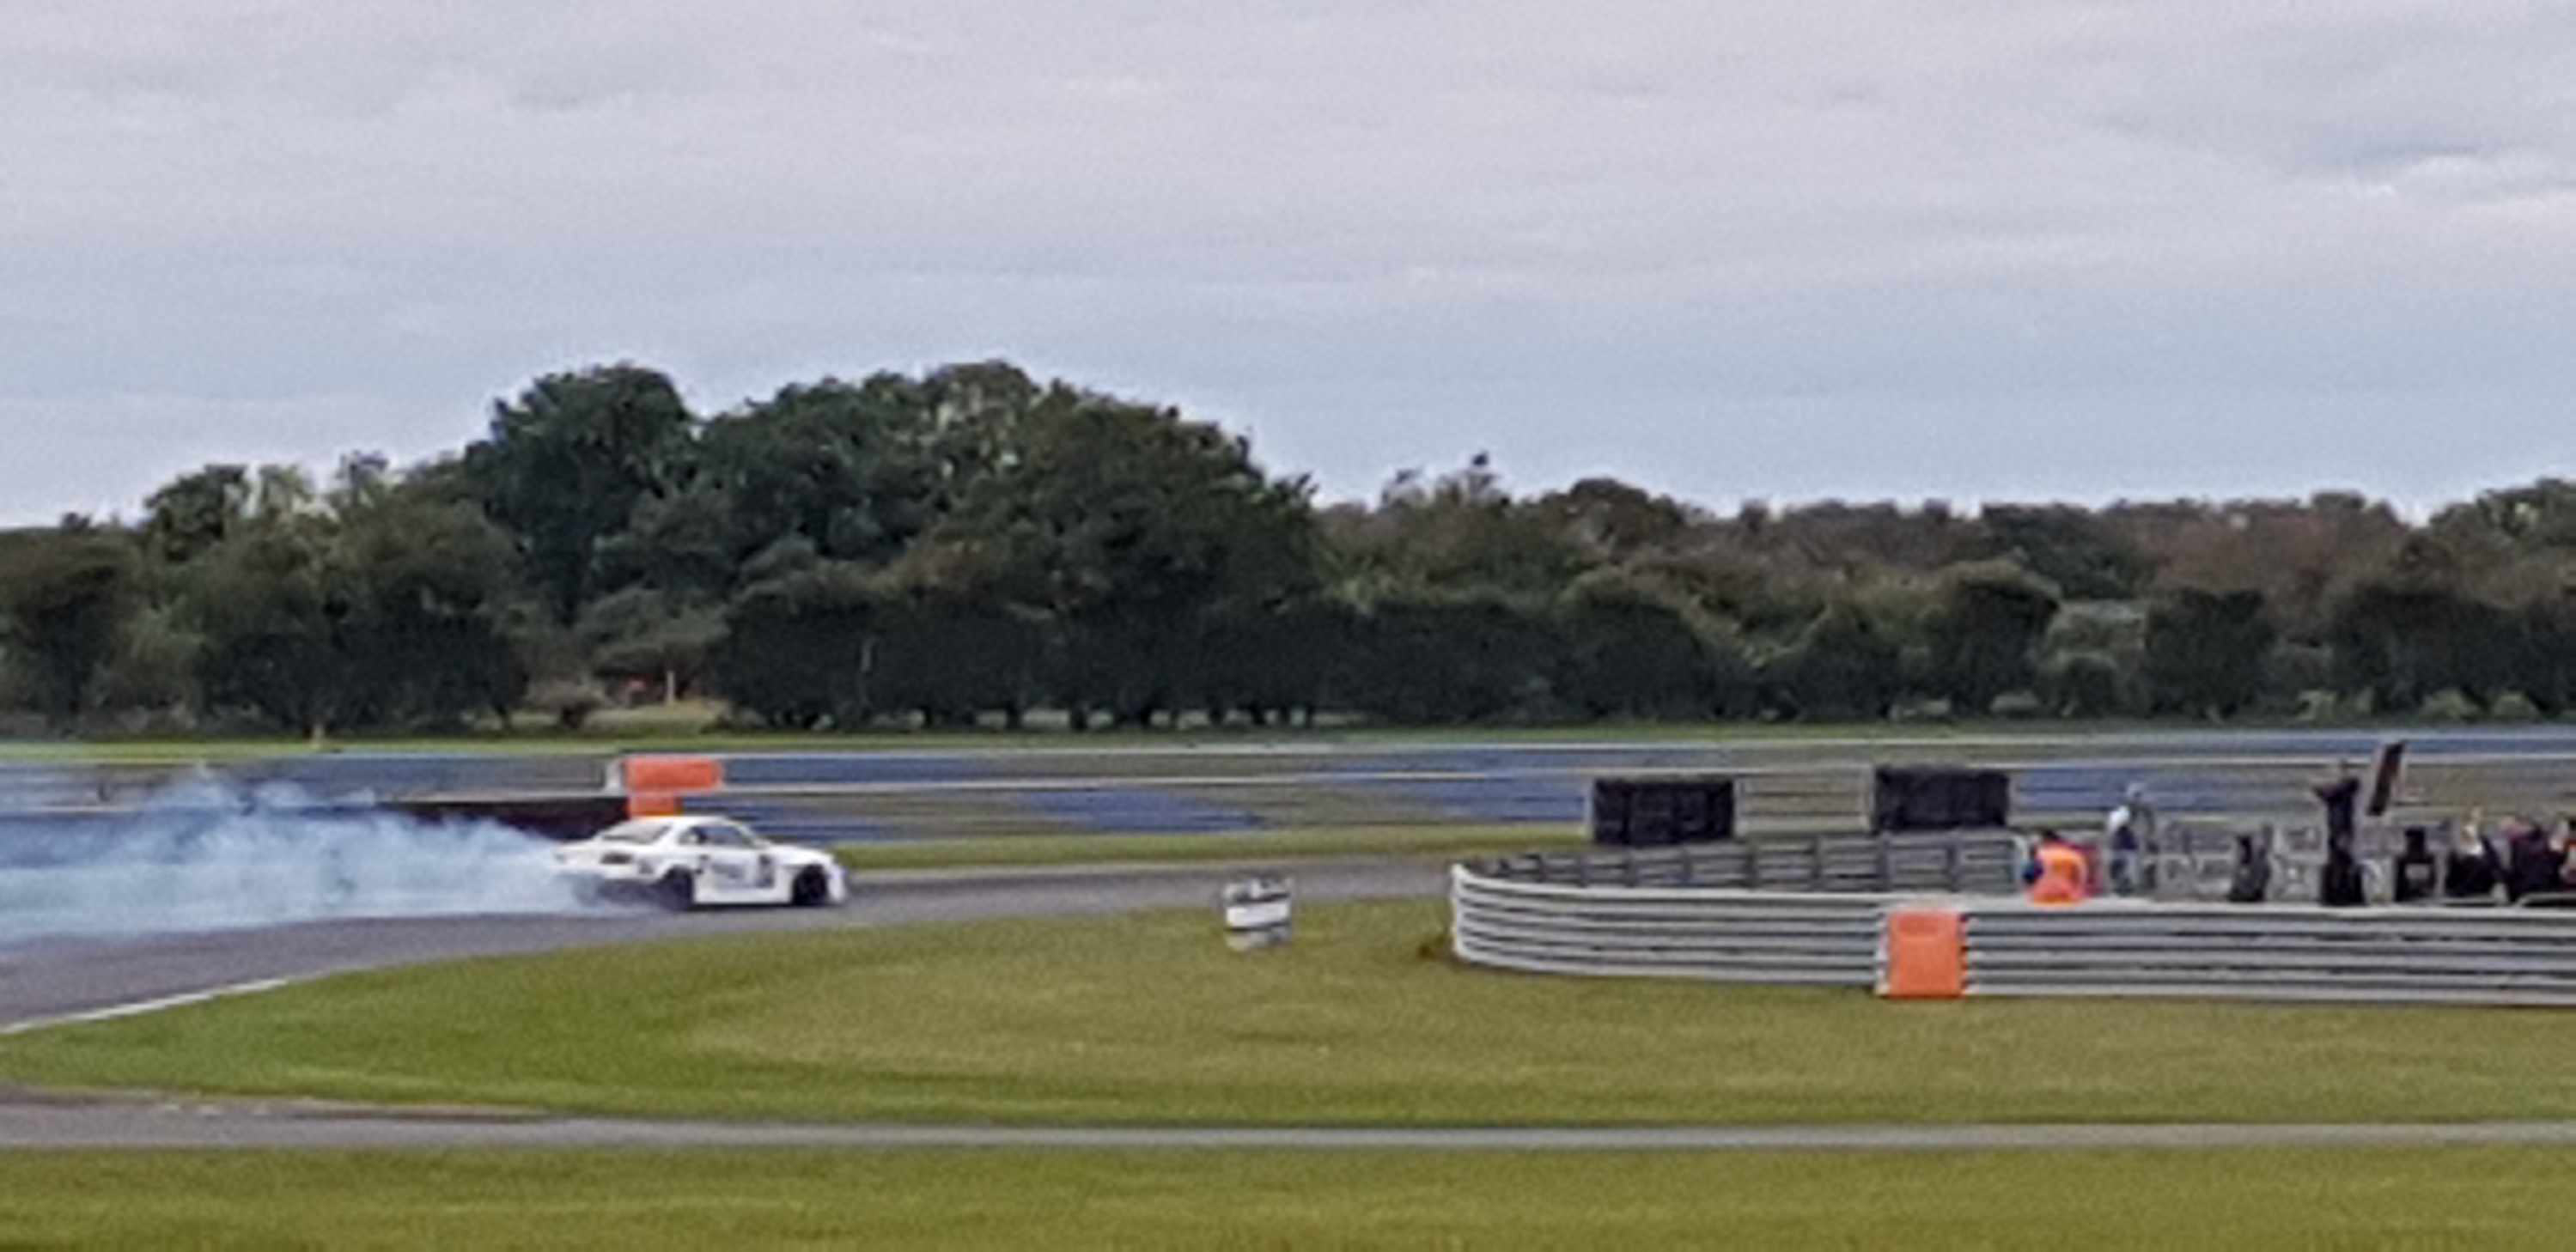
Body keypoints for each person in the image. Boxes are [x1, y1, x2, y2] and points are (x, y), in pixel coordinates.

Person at [2104, 782, 2157, 897]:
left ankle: (2136, 886)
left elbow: (2148, 829)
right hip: (2123, 846)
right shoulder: (2121, 814)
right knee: (2125, 864)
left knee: (2136, 864)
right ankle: (2122, 886)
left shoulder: (2145, 814)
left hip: (2132, 846)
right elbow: (2113, 831)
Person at [2443, 813, 2504, 903]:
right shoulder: (2457, 852)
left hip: (2482, 894)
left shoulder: (2487, 850)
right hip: (2459, 895)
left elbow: (2496, 871)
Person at [2023, 830, 2089, 905]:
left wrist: (2029, 895)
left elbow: (2028, 877)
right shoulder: (2073, 856)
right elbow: (2081, 877)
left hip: (2042, 899)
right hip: (2067, 898)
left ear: (2046, 841)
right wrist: (2078, 895)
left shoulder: (2038, 856)